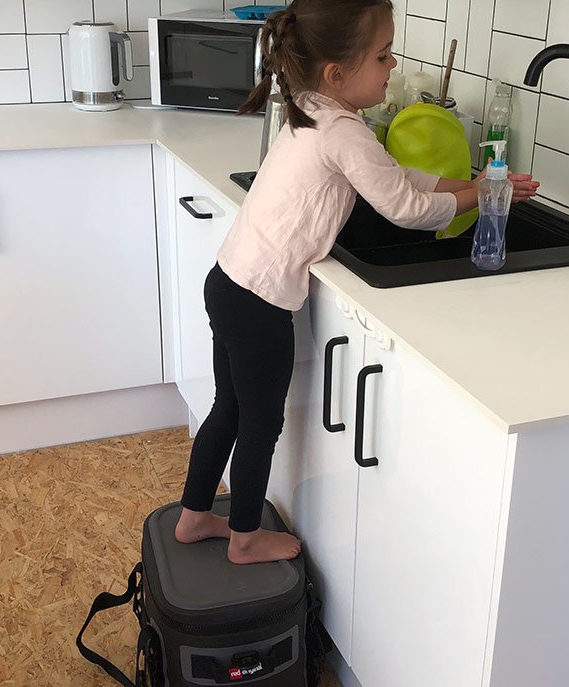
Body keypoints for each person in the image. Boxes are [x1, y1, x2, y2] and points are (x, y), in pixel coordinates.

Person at [174, 0, 540, 565]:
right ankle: (244, 538)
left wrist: (474, 182)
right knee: (260, 422)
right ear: (336, 72)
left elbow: (396, 177)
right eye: (383, 54)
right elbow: (404, 207)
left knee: (230, 407)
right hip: (260, 301)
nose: (393, 65)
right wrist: (484, 193)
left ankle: (196, 517)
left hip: (228, 280)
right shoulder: (343, 129)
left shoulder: (315, 106)